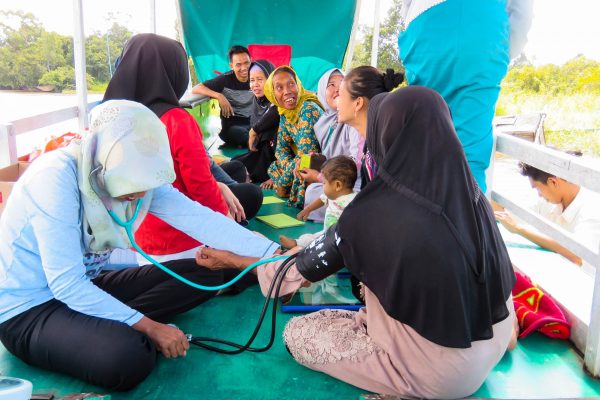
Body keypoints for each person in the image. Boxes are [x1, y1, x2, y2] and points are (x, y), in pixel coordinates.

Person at [196, 87, 516, 399]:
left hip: (445, 376)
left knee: (299, 334)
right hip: (496, 335)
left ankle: (408, 387)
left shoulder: (371, 213)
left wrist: (232, 259)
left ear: (384, 136)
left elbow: (290, 276)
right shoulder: (474, 196)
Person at [0, 100, 279, 391]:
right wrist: (150, 326)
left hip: (87, 287)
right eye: (134, 185)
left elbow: (199, 218)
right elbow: (65, 284)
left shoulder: (137, 173)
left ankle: (104, 326)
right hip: (30, 311)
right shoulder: (55, 177)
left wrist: (275, 255)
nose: (140, 193)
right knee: (128, 358)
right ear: (106, 157)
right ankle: (112, 329)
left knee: (205, 272)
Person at [103, 34, 262, 269]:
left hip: (138, 244)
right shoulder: (176, 120)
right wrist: (234, 239)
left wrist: (219, 185)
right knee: (251, 258)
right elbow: (202, 191)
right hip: (183, 247)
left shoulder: (109, 118)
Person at [397, 0, 534, 193]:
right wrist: (502, 50)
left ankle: (423, 213)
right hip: (480, 23)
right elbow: (522, 9)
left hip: (423, 28)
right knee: (468, 152)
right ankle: (467, 217)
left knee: (426, 134)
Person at [495, 161, 600, 273]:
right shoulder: (552, 200)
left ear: (553, 182)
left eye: (537, 189)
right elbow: (508, 215)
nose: (539, 194)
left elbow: (577, 255)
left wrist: (519, 229)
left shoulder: (592, 210)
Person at [297, 68, 363, 222]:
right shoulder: (323, 122)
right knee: (312, 190)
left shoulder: (353, 120)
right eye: (331, 85)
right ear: (321, 91)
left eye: (342, 84)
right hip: (333, 179)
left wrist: (320, 177)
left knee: (321, 193)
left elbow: (356, 164)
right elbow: (329, 156)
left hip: (353, 182)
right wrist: (311, 160)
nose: (337, 89)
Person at [335, 66, 404, 189]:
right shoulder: (371, 145)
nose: (337, 101)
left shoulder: (383, 148)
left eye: (340, 94)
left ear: (358, 103)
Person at [264, 66, 323, 207]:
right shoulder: (285, 112)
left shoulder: (308, 108)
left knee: (301, 167)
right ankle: (290, 181)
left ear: (298, 84)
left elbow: (306, 155)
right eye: (279, 88)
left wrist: (283, 183)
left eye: (291, 84)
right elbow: (281, 149)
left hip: (318, 163)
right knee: (273, 167)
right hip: (299, 163)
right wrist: (287, 171)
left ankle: (289, 185)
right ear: (272, 93)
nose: (287, 91)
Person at [280, 155, 358, 248]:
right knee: (311, 237)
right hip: (327, 233)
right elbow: (322, 199)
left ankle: (298, 247)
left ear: (337, 185)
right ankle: (296, 242)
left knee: (317, 243)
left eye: (324, 183)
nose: (322, 186)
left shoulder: (352, 202)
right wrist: (308, 209)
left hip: (340, 240)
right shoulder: (334, 195)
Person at [192, 45, 254, 147]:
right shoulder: (225, 80)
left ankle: (255, 140)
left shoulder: (257, 76)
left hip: (253, 124)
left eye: (246, 63)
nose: (244, 68)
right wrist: (219, 95)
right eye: (238, 65)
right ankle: (255, 141)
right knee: (239, 134)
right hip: (233, 127)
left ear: (251, 61)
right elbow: (196, 88)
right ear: (231, 66)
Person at [232, 60, 280, 186]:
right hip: (262, 152)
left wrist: (254, 131)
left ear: (270, 80)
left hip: (278, 157)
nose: (255, 84)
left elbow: (275, 112)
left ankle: (276, 174)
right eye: (252, 80)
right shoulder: (258, 101)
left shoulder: (279, 100)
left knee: (242, 171)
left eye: (260, 79)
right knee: (235, 164)